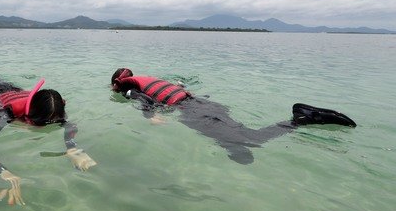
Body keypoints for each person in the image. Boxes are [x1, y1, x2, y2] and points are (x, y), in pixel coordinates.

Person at [110, 68, 356, 165]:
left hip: (192, 111)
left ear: (115, 83)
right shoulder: (151, 78)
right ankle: (297, 121)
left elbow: (141, 99)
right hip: (203, 103)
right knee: (242, 137)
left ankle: (299, 120)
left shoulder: (129, 87)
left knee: (248, 141)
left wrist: (148, 117)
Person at [0, 78, 96, 206]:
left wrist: (72, 147)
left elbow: (69, 125)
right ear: (29, 117)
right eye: (40, 124)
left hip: (13, 90)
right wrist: (3, 171)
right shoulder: (9, 114)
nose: (45, 127)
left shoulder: (55, 110)